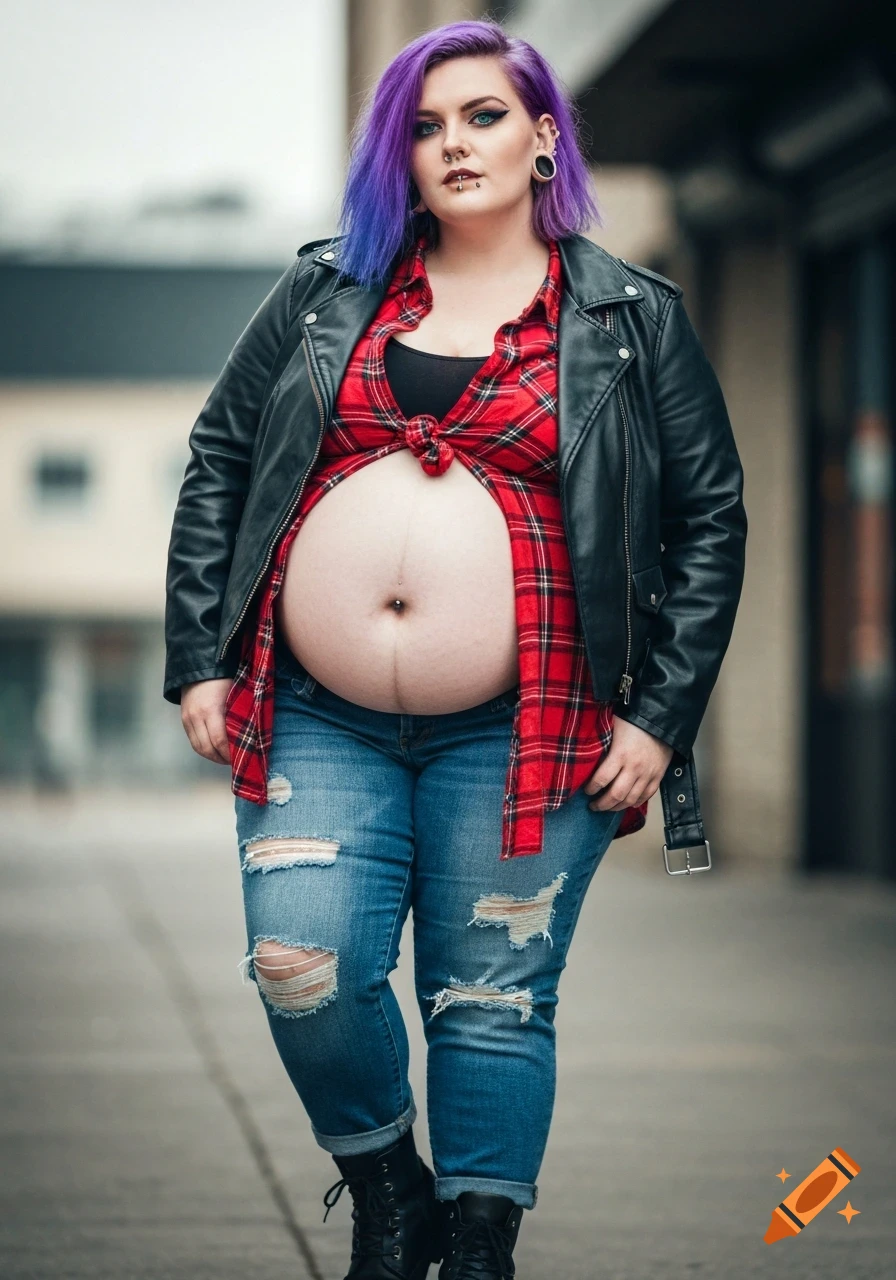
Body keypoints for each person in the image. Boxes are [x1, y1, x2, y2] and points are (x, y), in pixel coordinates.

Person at [164, 18, 747, 1280]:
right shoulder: (326, 290)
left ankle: (480, 1244)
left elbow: (708, 519)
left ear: (543, 138)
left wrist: (658, 720)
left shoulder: (630, 316)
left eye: (480, 116)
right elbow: (219, 457)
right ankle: (389, 1182)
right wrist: (199, 653)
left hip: (531, 724)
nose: (451, 145)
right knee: (300, 962)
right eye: (422, 127)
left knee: (489, 1004)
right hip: (318, 714)